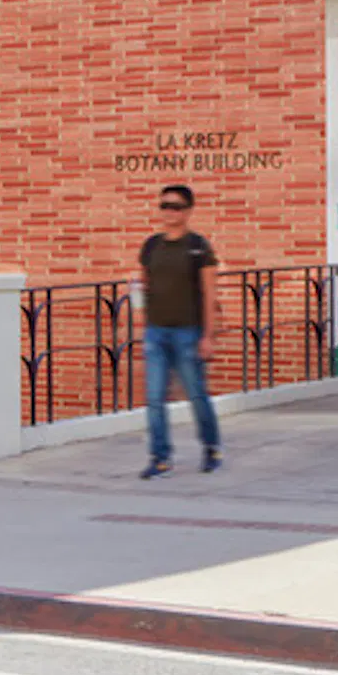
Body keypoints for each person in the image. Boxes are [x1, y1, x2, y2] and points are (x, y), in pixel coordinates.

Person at [138, 184, 220, 479]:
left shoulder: (198, 247)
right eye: (164, 206)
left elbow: (210, 294)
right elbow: (144, 286)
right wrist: (139, 324)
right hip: (156, 333)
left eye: (175, 206)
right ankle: (160, 458)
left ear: (187, 211)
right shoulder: (150, 246)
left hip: (188, 332)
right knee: (155, 397)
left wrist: (208, 336)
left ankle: (211, 447)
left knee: (196, 394)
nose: (169, 212)